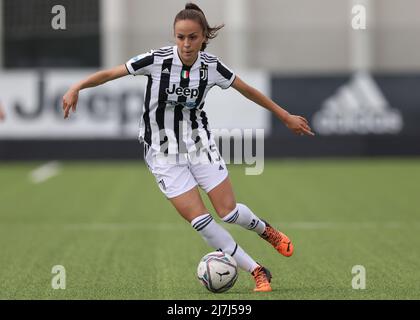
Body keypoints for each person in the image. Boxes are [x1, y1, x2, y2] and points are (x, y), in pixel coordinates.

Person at [62, 3, 314, 292]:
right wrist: (76, 87)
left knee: (228, 212)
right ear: (174, 36)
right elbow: (111, 73)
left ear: (203, 37)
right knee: (202, 221)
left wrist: (285, 116)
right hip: (162, 154)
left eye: (192, 37)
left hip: (199, 145)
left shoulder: (211, 67)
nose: (185, 43)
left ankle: (266, 231)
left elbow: (247, 90)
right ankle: (257, 271)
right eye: (180, 37)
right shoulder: (156, 61)